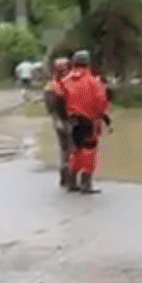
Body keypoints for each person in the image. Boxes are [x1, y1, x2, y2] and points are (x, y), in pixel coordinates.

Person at [58, 49, 111, 193]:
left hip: (72, 121)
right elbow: (101, 103)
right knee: (89, 151)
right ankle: (86, 183)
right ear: (88, 64)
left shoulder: (64, 81)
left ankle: (72, 181)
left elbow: (59, 100)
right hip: (89, 120)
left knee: (75, 151)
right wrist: (104, 118)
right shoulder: (94, 81)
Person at [43, 57, 73, 187]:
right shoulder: (54, 85)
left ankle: (66, 176)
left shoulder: (52, 85)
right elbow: (50, 106)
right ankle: (68, 176)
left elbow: (49, 106)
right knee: (69, 148)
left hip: (67, 119)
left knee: (66, 149)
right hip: (65, 119)